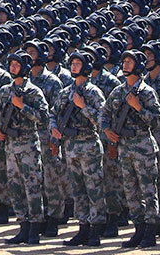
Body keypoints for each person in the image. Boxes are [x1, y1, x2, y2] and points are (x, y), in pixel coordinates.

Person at [103, 49, 160, 247]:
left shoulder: (146, 92)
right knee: (130, 191)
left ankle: (151, 231)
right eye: (124, 61)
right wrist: (107, 130)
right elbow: (104, 113)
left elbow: (157, 121)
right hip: (124, 147)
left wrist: (138, 107)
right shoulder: (118, 91)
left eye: (130, 61)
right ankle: (138, 229)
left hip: (143, 146)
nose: (125, 64)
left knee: (148, 190)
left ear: (138, 66)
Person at [0, 51, 48, 247]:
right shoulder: (5, 91)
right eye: (11, 64)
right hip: (10, 147)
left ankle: (34, 229)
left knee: (32, 188)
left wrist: (23, 106)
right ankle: (23, 226)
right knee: (15, 188)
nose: (13, 68)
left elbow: (43, 117)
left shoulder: (33, 92)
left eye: (17, 65)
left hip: (28, 147)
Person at [52, 51, 106, 247]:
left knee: (94, 189)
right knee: (77, 190)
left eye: (78, 64)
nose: (74, 66)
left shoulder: (93, 92)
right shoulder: (65, 92)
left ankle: (96, 230)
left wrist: (83, 106)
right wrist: (54, 128)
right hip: (70, 146)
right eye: (72, 63)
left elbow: (102, 119)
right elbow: (53, 113)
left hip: (89, 145)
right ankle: (82, 228)